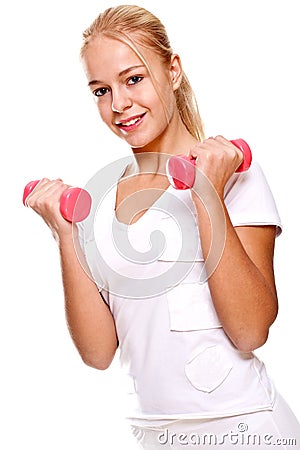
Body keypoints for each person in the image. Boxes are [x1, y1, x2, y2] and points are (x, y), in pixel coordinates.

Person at [25, 5, 300, 449]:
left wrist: (206, 192)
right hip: (154, 434)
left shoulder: (231, 173)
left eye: (133, 79)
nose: (119, 105)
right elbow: (98, 353)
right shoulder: (99, 203)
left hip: (243, 428)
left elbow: (251, 329)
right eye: (100, 90)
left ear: (172, 71)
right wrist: (65, 233)